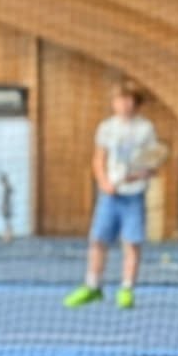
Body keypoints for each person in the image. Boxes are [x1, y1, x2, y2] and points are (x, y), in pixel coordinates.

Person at [64, 79, 160, 311]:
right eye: (119, 99)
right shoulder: (106, 127)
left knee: (132, 243)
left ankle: (127, 290)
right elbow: (99, 159)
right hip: (109, 196)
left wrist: (137, 176)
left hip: (134, 196)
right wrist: (105, 182)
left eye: (128, 100)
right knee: (97, 241)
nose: (123, 104)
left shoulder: (145, 129)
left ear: (136, 103)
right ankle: (92, 286)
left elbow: (153, 164)